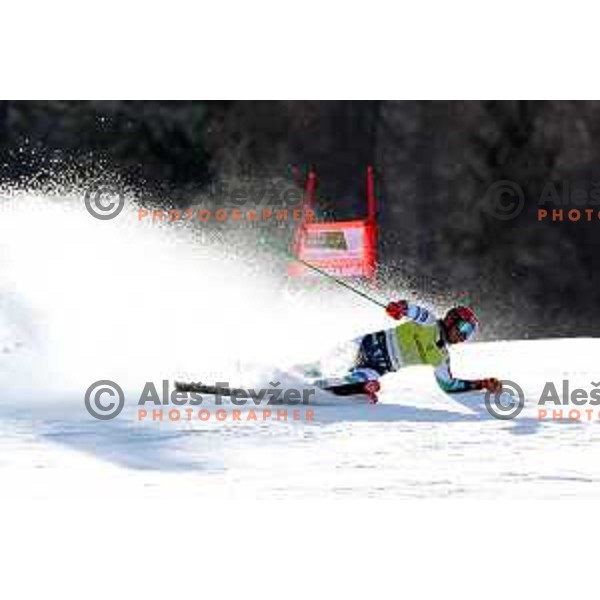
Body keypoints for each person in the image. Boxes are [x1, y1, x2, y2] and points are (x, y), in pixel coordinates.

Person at [308, 300, 502, 403]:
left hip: (376, 368)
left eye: (469, 333)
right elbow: (411, 309)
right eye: (464, 329)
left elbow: (449, 386)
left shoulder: (441, 357)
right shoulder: (429, 322)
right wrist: (398, 308)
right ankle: (296, 378)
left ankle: (327, 389)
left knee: (366, 381)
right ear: (451, 320)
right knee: (322, 365)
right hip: (364, 346)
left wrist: (481, 384)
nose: (463, 337)